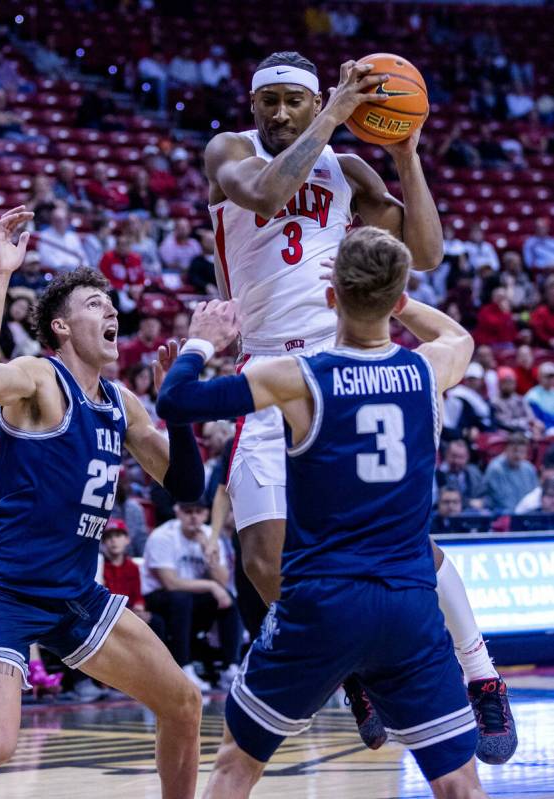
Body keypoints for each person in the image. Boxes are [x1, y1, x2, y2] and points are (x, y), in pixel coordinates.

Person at [204, 52, 513, 764]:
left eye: (293, 101)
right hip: (266, 366)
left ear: (315, 103)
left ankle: (479, 672)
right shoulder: (230, 151)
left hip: (343, 358)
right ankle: (354, 669)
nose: (278, 113)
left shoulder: (347, 171)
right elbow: (263, 197)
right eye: (268, 101)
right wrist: (337, 114)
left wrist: (404, 156)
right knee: (261, 556)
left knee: (397, 538)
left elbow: (425, 252)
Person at [156, 227, 499, 797]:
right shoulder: (429, 370)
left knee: (236, 764)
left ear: (330, 296)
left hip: (322, 605)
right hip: (407, 607)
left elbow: (176, 401)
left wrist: (200, 341)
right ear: (393, 301)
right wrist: (402, 300)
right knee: (460, 784)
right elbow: (455, 333)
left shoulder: (298, 380)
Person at [0, 207, 203, 799]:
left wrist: (178, 407)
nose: (110, 311)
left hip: (73, 593)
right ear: (60, 327)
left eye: (111, 305)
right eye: (94, 305)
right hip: (5, 585)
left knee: (183, 703)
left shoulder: (123, 403)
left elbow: (185, 487)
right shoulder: (39, 376)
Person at [142, 498, 242, 692]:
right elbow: (170, 583)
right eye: (188, 512)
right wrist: (211, 586)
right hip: (158, 597)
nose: (194, 517)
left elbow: (222, 580)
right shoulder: (162, 536)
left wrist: (207, 549)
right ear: (177, 512)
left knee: (228, 598)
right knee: (182, 598)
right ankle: (183, 666)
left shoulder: (209, 536)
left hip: (192, 597)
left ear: (206, 514)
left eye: (198, 512)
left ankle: (230, 666)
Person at [99, 519, 164, 640]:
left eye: (118, 535)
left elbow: (137, 596)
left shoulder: (132, 567)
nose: (113, 541)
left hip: (130, 611)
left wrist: (139, 607)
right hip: (109, 613)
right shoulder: (99, 566)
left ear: (127, 540)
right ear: (103, 542)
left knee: (156, 621)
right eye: (108, 537)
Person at [482, 432, 539, 513]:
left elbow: (534, 497)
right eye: (515, 451)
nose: (518, 455)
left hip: (526, 515)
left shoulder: (529, 469)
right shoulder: (495, 469)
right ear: (506, 449)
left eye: (522, 452)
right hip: (501, 516)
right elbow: (501, 502)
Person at [435, 439, 484, 510]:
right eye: (454, 456)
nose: (456, 461)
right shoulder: (439, 475)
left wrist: (483, 502)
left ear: (467, 457)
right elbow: (446, 499)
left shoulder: (474, 472)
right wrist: (469, 503)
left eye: (461, 457)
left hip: (475, 516)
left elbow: (486, 495)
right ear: (446, 455)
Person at [525, 362, 554, 432]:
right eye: (547, 376)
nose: (550, 379)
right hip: (544, 430)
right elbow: (534, 419)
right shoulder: (532, 396)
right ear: (539, 377)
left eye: (552, 376)